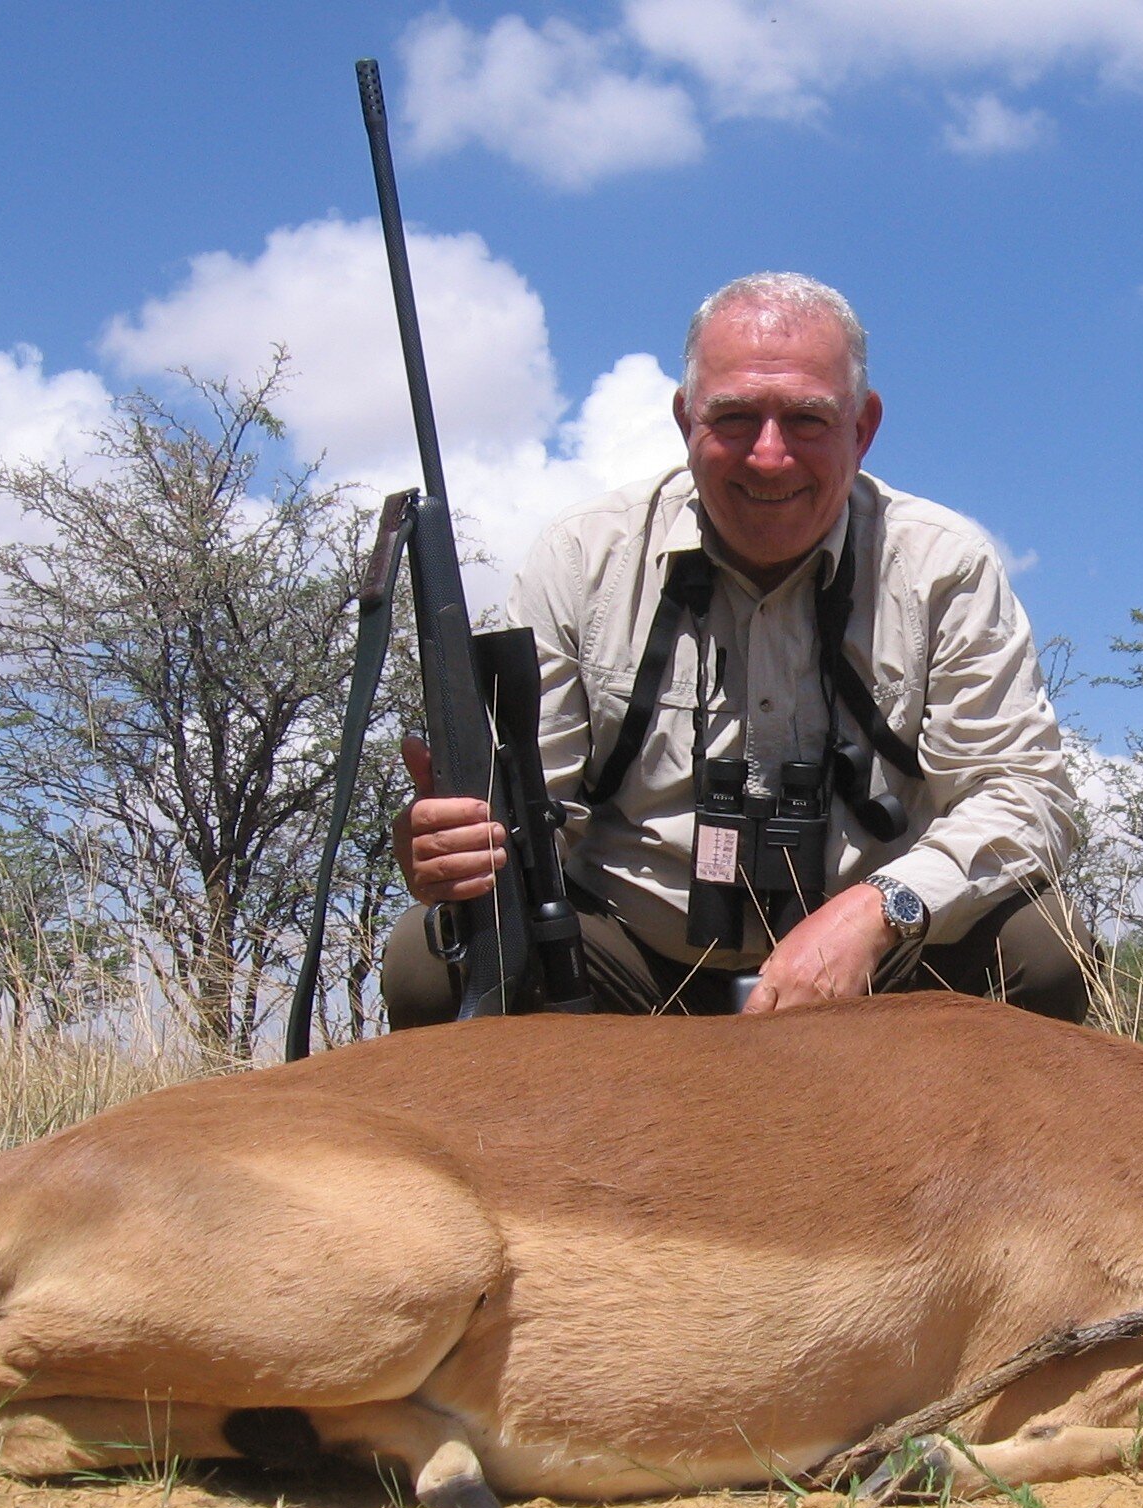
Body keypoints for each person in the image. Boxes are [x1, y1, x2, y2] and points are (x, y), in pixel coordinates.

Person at [384, 272, 1089, 1023]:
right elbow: (529, 815)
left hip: (876, 969)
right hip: (631, 965)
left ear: (864, 425)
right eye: (734, 418)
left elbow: (1027, 797)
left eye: (808, 420)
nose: (769, 455)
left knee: (1039, 950)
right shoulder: (582, 556)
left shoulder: (944, 564)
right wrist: (451, 844)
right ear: (686, 418)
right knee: (430, 960)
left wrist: (877, 912)